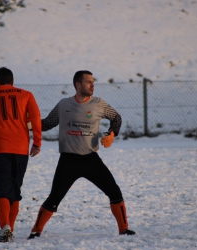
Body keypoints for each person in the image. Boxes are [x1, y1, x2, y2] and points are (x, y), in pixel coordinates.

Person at [27, 70, 135, 239]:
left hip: (91, 160)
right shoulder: (64, 104)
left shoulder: (99, 103)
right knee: (54, 198)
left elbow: (116, 118)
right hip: (68, 161)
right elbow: (47, 123)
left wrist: (112, 134)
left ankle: (124, 229)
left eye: (93, 82)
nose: (92, 85)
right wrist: (25, 125)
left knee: (115, 192)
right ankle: (36, 231)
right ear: (78, 85)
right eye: (88, 82)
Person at [0, 67, 42, 242]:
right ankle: (10, 228)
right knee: (15, 190)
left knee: (2, 191)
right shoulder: (26, 94)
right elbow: (35, 118)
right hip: (21, 150)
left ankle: (5, 227)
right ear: (12, 81)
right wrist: (37, 141)